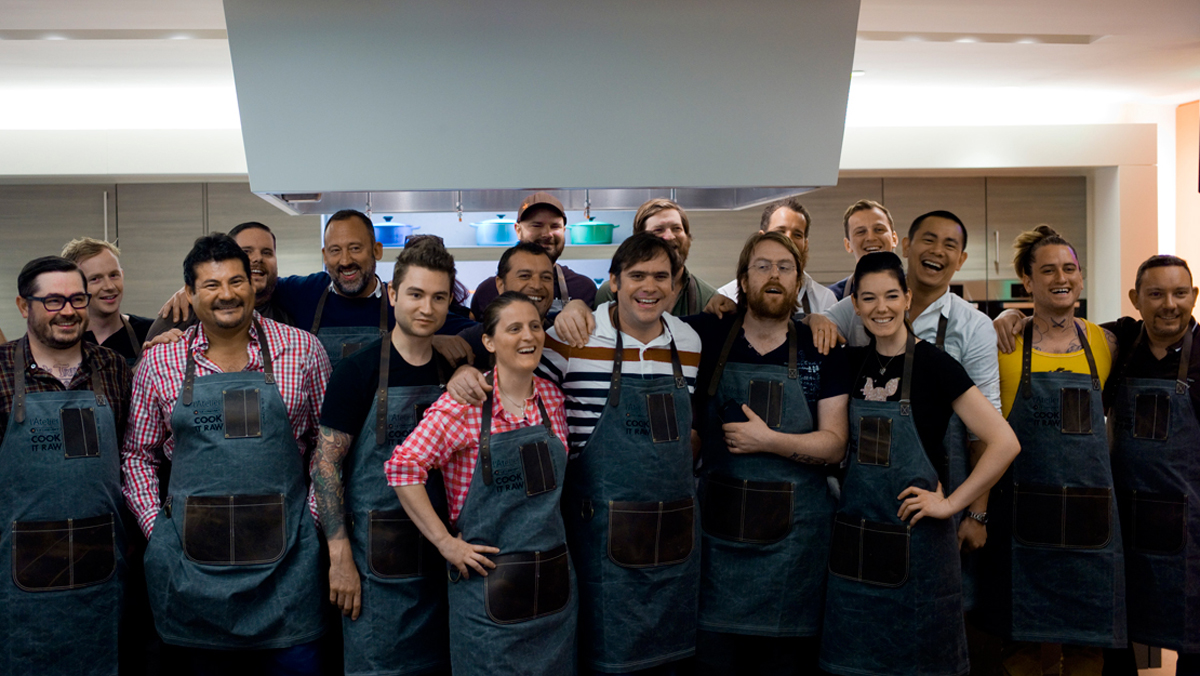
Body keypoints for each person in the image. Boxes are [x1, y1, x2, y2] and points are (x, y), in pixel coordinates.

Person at [123, 233, 331, 674]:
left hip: (288, 570)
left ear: (253, 285)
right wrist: (158, 531)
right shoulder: (160, 363)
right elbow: (137, 456)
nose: (227, 295)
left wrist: (309, 524)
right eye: (212, 285)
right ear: (191, 294)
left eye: (237, 281)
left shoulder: (303, 351)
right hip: (190, 571)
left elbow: (326, 447)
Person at [819, 252, 1020, 676]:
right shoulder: (849, 363)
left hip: (920, 548)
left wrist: (952, 506)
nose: (881, 307)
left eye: (892, 295)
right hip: (855, 544)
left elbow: (1003, 442)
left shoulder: (935, 365)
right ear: (854, 305)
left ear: (907, 298)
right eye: (869, 298)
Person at [386, 292, 576, 676]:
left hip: (554, 594)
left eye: (535, 326)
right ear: (488, 342)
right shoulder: (463, 405)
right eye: (514, 328)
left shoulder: (553, 399)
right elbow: (402, 468)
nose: (529, 337)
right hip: (488, 597)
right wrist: (445, 543)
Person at [686, 231, 850, 675]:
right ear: (741, 279)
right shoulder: (706, 335)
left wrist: (770, 441)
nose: (773, 275)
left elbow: (835, 444)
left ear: (799, 282)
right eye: (762, 266)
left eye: (785, 267)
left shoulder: (823, 347)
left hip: (795, 553)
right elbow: (635, 322)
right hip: (718, 546)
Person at [546, 232, 702, 674]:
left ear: (676, 285)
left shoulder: (689, 343)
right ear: (613, 282)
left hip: (675, 534)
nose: (648, 287)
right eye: (636, 276)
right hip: (598, 535)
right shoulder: (573, 334)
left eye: (660, 276)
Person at [973, 225, 1124, 676]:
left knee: (1086, 653)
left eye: (1070, 268)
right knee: (1021, 652)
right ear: (1028, 282)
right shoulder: (1003, 345)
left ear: (1081, 278)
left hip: (1090, 524)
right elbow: (982, 435)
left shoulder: (1106, 342)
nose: (1062, 277)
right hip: (1021, 523)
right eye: (1048, 270)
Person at [311, 238, 456, 676]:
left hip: (441, 560)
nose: (426, 308)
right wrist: (339, 557)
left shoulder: (452, 371)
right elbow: (325, 465)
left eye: (438, 297)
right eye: (415, 294)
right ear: (392, 294)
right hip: (373, 566)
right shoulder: (357, 371)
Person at [0, 256, 133, 676]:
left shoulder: (113, 369)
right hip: (17, 572)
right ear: (25, 307)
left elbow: (136, 456)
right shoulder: (0, 370)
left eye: (77, 299)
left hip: (105, 568)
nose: (69, 311)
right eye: (53, 301)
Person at [1106, 255, 1200, 675]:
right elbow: (1058, 329)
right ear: (1135, 299)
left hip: (1190, 529)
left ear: (1193, 297)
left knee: (1193, 638)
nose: (1169, 304)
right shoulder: (1117, 342)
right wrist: (1012, 316)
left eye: (1180, 293)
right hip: (1122, 521)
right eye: (1156, 294)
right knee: (1116, 634)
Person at [469, 192, 598, 318]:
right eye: (537, 225)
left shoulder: (584, 289)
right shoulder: (487, 291)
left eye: (555, 226)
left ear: (564, 231)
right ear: (518, 230)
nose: (547, 234)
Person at [593, 198, 718, 316]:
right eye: (658, 230)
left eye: (676, 228)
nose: (669, 236)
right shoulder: (610, 293)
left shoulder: (708, 298)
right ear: (639, 240)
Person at [713, 198, 837, 316]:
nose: (788, 239)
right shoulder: (727, 296)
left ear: (806, 244)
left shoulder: (824, 300)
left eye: (797, 234)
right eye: (780, 232)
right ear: (762, 237)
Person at [61, 237, 154, 365]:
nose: (109, 286)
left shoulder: (150, 332)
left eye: (114, 275)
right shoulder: (61, 339)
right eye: (95, 279)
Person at [827, 200, 898, 301]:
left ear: (894, 239)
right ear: (848, 245)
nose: (870, 238)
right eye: (861, 232)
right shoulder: (831, 298)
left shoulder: (916, 291)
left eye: (879, 229)